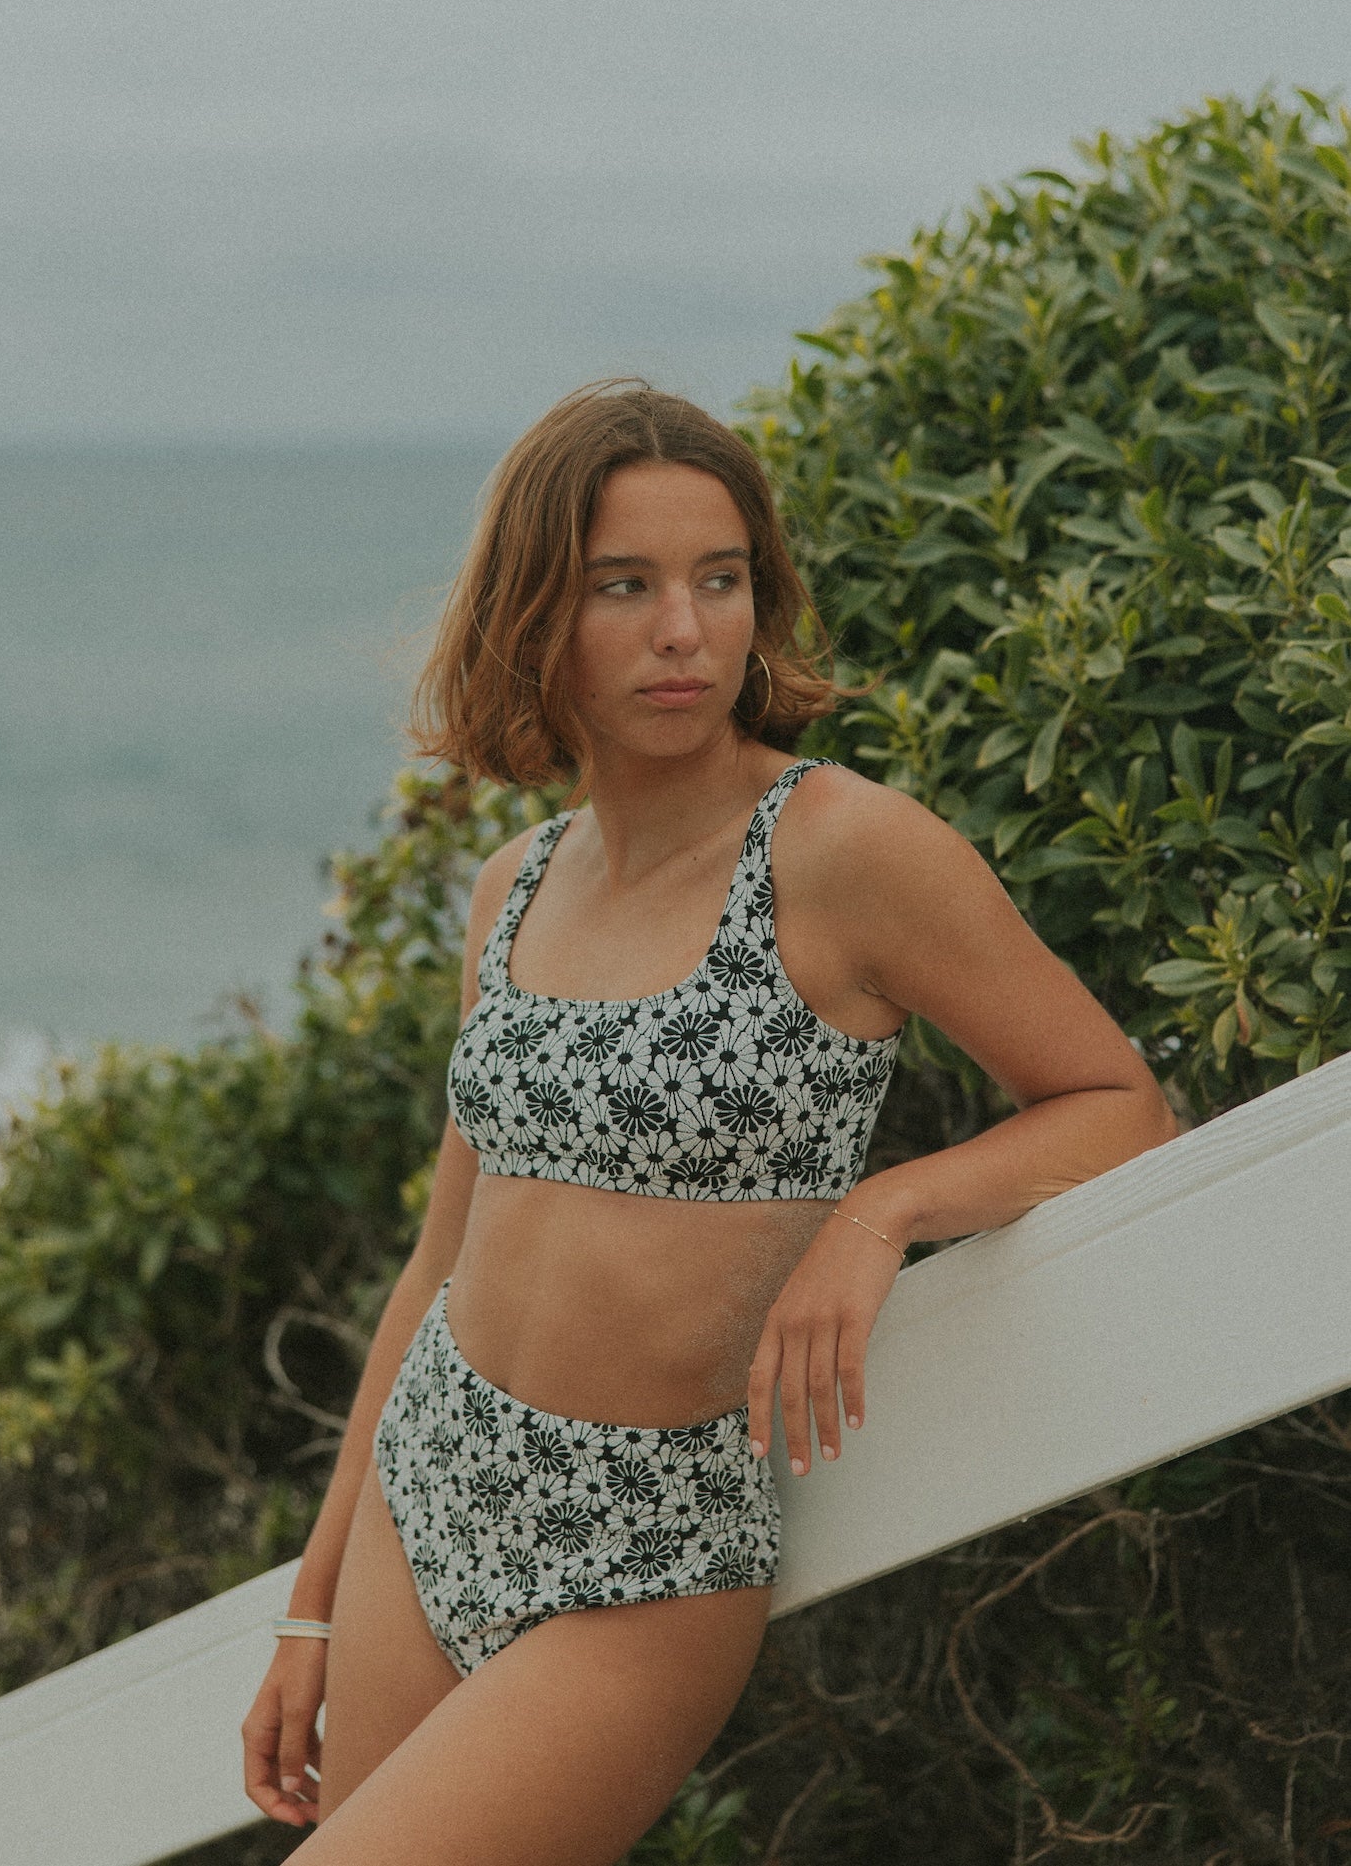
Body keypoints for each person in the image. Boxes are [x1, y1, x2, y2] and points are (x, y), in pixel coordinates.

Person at [241, 381, 1174, 1863]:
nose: (686, 631)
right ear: (538, 612)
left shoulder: (846, 852)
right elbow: (439, 1266)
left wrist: (882, 1214)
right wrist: (313, 1591)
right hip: (435, 1490)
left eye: (720, 580)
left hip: (646, 1557)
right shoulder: (517, 882)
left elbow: (1120, 1103)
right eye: (626, 586)